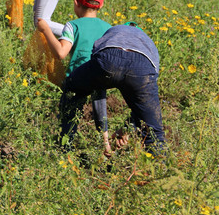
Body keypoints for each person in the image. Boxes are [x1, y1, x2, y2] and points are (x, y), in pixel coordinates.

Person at [62, 23, 166, 154]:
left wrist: (105, 136)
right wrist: (129, 128)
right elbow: (142, 105)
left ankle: (65, 145)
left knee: (72, 86)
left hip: (109, 57)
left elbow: (97, 90)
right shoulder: (147, 41)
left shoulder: (113, 31)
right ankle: (159, 168)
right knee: (154, 133)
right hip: (142, 67)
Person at [37, 0, 112, 154]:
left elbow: (61, 53)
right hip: (100, 75)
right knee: (100, 103)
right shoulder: (108, 28)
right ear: (100, 5)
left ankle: (65, 146)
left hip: (78, 77)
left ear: (76, 3)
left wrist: (46, 30)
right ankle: (106, 144)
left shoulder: (73, 25)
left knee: (69, 111)